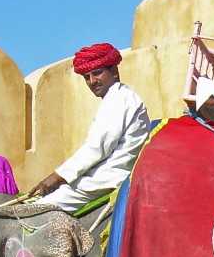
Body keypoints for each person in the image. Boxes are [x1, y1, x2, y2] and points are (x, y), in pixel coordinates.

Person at [29, 43, 151, 211]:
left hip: (108, 178)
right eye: (87, 77)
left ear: (114, 71)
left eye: (97, 73)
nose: (92, 81)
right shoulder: (116, 97)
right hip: (100, 176)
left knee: (38, 209)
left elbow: (97, 148)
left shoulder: (119, 99)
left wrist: (57, 177)